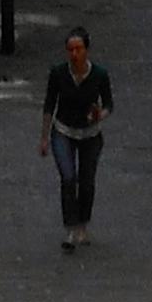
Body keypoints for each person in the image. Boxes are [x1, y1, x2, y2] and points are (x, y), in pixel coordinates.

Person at [40, 25, 113, 250]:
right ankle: (71, 229)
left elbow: (109, 103)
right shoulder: (58, 73)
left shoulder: (99, 75)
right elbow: (50, 105)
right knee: (69, 178)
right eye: (70, 50)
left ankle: (82, 224)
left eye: (79, 49)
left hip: (90, 135)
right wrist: (44, 138)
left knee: (87, 182)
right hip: (63, 131)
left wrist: (100, 114)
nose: (74, 54)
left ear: (86, 50)